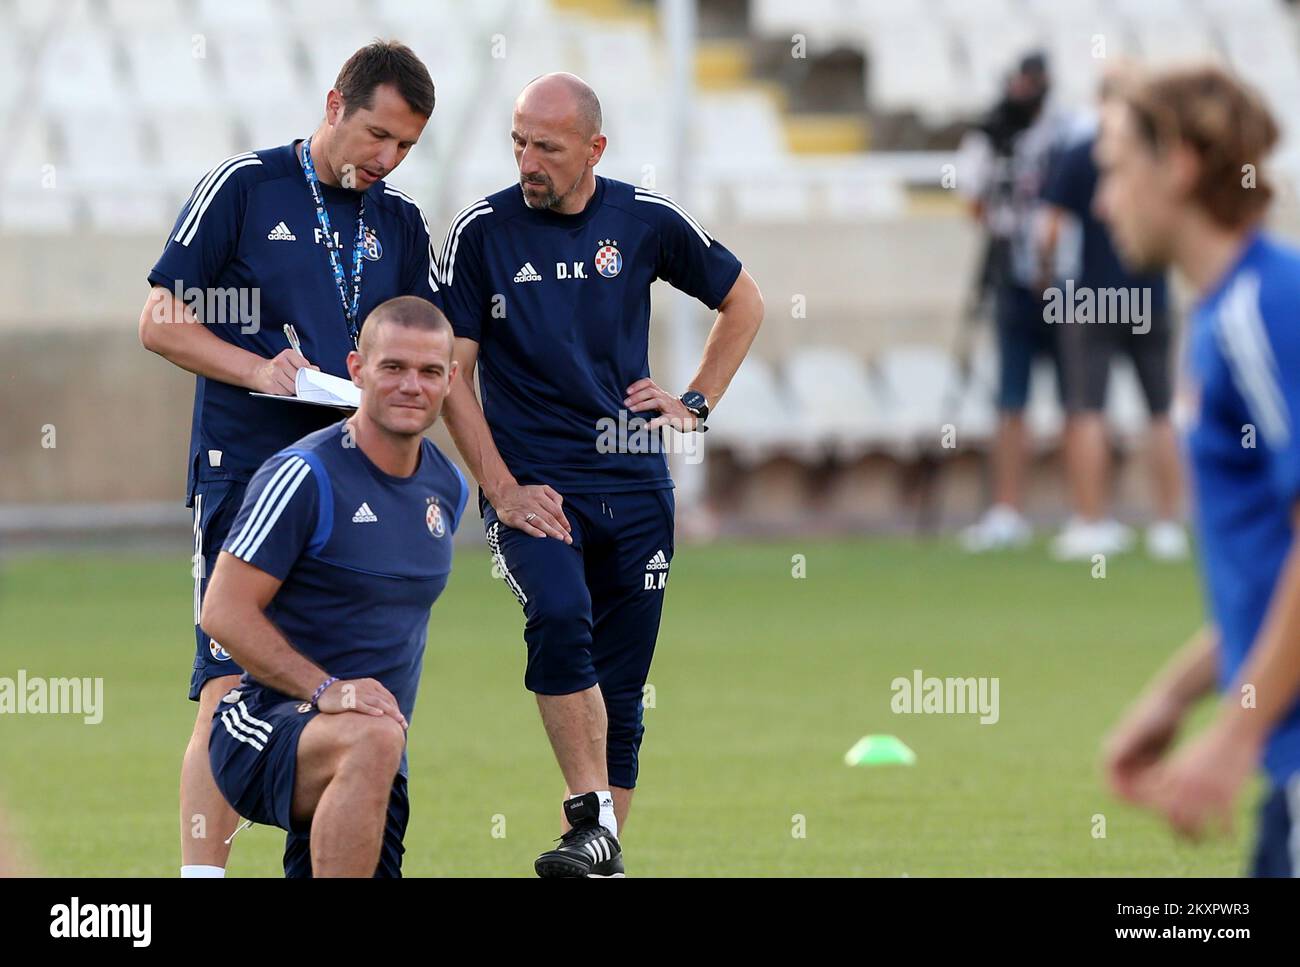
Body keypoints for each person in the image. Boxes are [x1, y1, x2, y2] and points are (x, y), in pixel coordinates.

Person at [438, 73, 764, 876]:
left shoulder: (644, 221)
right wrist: (500, 487)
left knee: (623, 686)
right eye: (518, 141)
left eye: (545, 146)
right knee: (557, 614)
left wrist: (694, 401)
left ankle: (599, 852)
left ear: (594, 149)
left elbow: (745, 300)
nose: (527, 160)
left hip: (636, 486)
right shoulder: (483, 232)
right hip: (536, 488)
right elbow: (452, 375)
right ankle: (590, 818)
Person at [138, 40, 441, 877]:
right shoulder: (246, 187)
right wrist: (258, 370)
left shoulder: (400, 223)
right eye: (377, 135)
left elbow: (425, 347)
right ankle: (202, 876)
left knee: (346, 685)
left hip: (350, 485)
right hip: (247, 470)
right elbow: (158, 320)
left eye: (406, 147)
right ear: (336, 104)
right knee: (229, 683)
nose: (386, 159)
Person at [1096, 66, 1300, 874]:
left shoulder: (1265, 310)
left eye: (1114, 169)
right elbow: (1272, 569)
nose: (1104, 200)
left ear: (1177, 163)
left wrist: (1234, 733)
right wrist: (1178, 699)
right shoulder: (1226, 315)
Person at [202, 296, 467, 877]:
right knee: (372, 739)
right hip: (264, 724)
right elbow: (221, 611)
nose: (410, 386)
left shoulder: (447, 487)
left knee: (374, 746)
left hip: (373, 756)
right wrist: (324, 688)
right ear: (357, 370)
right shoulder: (306, 474)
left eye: (428, 372)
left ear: (451, 380)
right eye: (392, 367)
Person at [1038, 74, 1187, 561]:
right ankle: (1168, 523)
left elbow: (1049, 230)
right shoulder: (1160, 154)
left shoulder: (1082, 153)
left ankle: (1092, 520)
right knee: (1160, 411)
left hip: (1091, 295)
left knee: (1088, 410)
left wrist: (1046, 281)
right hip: (1150, 291)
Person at [958, 52, 1072, 552]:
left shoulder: (1063, 131)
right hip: (1011, 277)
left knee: (1078, 398)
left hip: (1062, 279)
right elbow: (974, 198)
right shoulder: (991, 132)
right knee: (1011, 395)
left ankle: (1085, 513)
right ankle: (1007, 509)